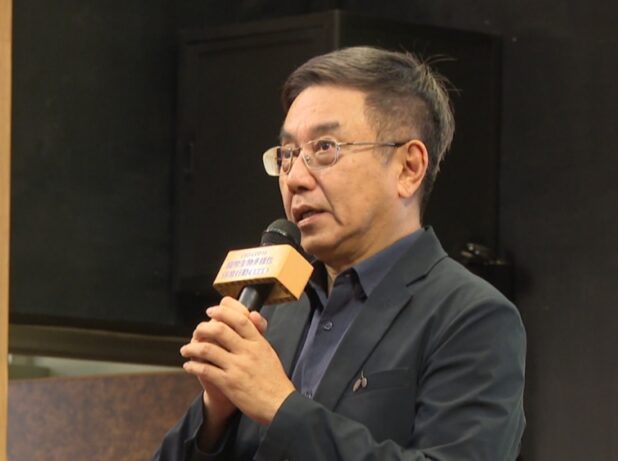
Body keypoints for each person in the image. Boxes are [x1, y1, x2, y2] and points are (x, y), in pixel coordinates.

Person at [153, 46, 526, 460]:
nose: (295, 178)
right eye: (287, 155)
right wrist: (215, 415)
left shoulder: (472, 317)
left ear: (408, 168)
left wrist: (279, 408)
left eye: (325, 148)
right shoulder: (274, 310)